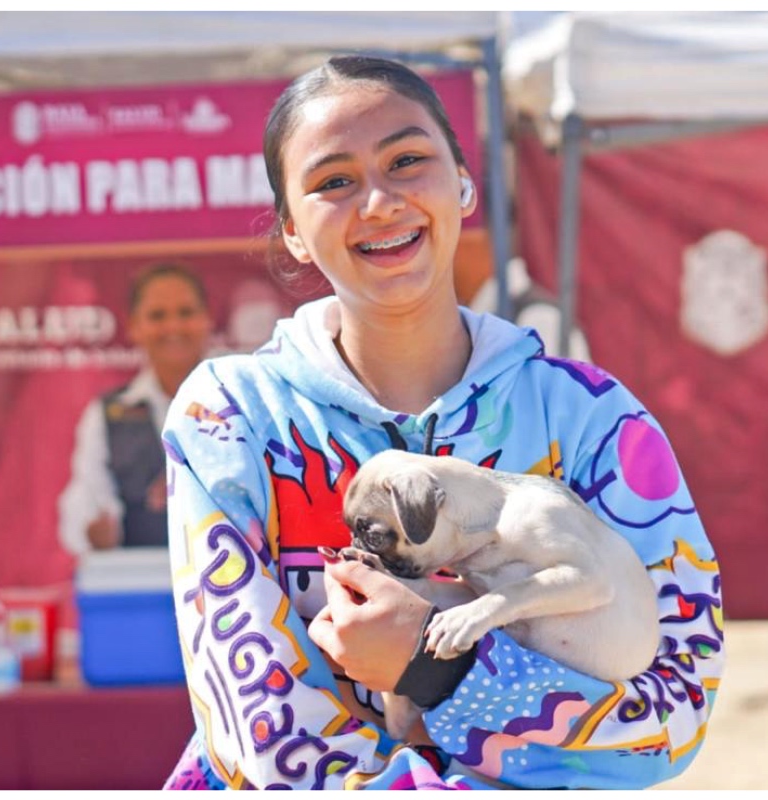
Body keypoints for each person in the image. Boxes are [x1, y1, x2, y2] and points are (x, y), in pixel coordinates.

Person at [160, 56, 725, 790]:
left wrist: (439, 669)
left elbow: (674, 709)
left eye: (406, 161)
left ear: (463, 182)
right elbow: (254, 729)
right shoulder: (229, 418)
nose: (379, 202)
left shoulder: (591, 418)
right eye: (334, 181)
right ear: (292, 230)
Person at [58, 263, 214, 553]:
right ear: (134, 327)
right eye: (157, 316)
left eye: (185, 313)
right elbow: (86, 503)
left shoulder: (238, 401)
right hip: (140, 576)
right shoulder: (108, 414)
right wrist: (95, 529)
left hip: (234, 572)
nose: (173, 326)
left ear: (207, 319)